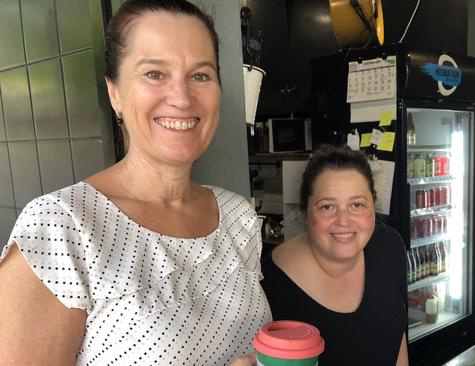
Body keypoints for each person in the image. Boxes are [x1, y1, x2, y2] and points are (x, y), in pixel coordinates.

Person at [0, 1, 271, 364]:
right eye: (155, 74)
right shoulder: (61, 228)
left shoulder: (238, 217)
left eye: (200, 75)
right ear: (115, 93)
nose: (182, 97)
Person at [261, 145, 409, 365]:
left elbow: (398, 339)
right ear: (305, 212)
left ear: (373, 206)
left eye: (357, 204)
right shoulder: (269, 284)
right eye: (327, 207)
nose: (344, 220)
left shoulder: (389, 247)